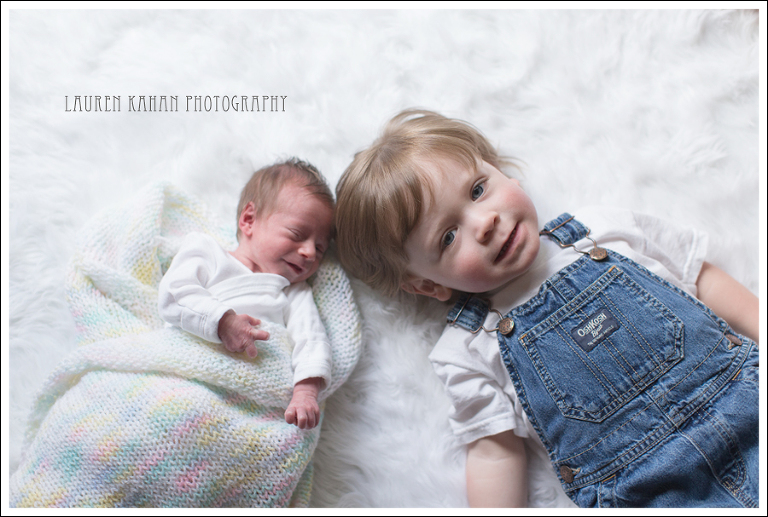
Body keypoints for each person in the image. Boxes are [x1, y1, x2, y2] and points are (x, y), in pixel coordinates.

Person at [334, 109, 759, 508]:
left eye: (478, 190)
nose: (484, 222)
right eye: (448, 236)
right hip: (647, 489)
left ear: (502, 170)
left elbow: (701, 276)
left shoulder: (601, 230)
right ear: (427, 285)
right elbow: (495, 451)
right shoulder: (466, 350)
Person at [158, 158, 335, 429]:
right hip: (185, 380)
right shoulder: (207, 253)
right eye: (297, 234)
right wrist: (222, 322)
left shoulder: (294, 293)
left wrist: (305, 392)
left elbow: (311, 339)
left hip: (249, 409)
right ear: (249, 220)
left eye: (320, 248)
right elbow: (173, 295)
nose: (310, 252)